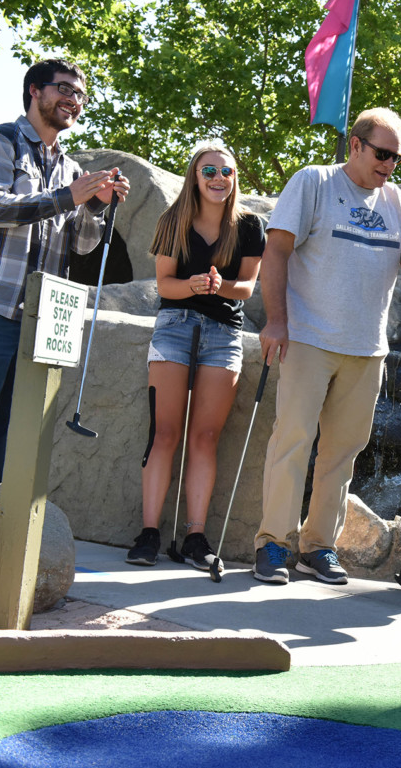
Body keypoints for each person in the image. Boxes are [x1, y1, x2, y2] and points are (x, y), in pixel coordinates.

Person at [254, 108, 401, 585]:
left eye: (396, 157)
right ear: (355, 145)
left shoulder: (397, 200)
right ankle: (273, 544)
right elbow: (275, 251)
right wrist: (276, 321)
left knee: (343, 452)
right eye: (382, 154)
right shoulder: (312, 182)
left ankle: (318, 547)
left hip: (367, 348)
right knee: (292, 442)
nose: (389, 165)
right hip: (309, 339)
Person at [0, 58, 129, 491]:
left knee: (8, 443)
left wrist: (94, 205)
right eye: (64, 89)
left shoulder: (72, 169)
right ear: (35, 91)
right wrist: (66, 198)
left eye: (79, 95)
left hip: (39, 324)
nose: (72, 100)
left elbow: (80, 245)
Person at [125, 143, 265, 568]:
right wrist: (195, 286)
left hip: (224, 333)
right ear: (195, 176)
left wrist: (217, 286)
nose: (219, 178)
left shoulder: (250, 225)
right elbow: (164, 284)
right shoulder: (173, 220)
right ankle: (150, 533)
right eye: (209, 171)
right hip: (174, 327)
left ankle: (195, 538)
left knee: (205, 437)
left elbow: (246, 288)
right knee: (164, 432)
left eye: (226, 171)